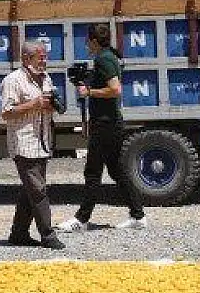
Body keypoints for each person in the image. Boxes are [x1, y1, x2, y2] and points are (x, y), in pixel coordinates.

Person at [57, 25, 147, 233]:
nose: (86, 44)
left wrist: (89, 91)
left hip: (106, 124)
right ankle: (138, 215)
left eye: (87, 41)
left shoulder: (104, 59)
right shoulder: (109, 56)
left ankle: (81, 219)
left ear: (94, 41)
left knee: (93, 171)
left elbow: (115, 89)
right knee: (116, 171)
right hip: (109, 122)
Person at [0, 40, 65, 250]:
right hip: (24, 143)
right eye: (40, 56)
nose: (44, 60)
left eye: (45, 56)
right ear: (27, 59)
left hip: (42, 142)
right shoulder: (13, 80)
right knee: (38, 191)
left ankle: (18, 234)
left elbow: (48, 105)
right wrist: (33, 104)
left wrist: (52, 105)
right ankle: (48, 235)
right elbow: (6, 112)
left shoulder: (46, 78)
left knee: (30, 191)